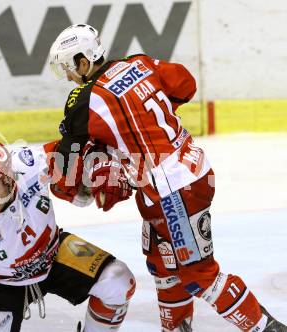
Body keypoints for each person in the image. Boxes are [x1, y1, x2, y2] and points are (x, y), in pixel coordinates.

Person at [47, 24, 287, 332]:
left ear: (83, 62)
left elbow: (66, 173)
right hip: (184, 174)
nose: (67, 76)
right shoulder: (139, 63)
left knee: (199, 275)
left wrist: (65, 185)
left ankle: (267, 328)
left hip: (173, 190)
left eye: (68, 68)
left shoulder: (84, 100)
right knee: (164, 264)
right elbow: (186, 84)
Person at [0, 142, 136, 332]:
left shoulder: (28, 164)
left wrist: (99, 169)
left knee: (118, 280)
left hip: (52, 254)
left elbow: (72, 147)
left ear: (8, 177)